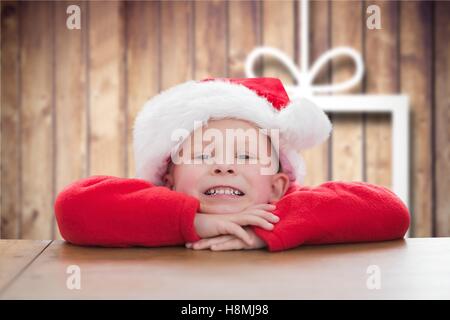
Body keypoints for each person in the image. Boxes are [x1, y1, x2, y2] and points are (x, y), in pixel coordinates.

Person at [54, 77, 410, 252]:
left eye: (244, 156)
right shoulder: (154, 204)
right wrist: (193, 221)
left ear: (277, 185)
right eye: (203, 155)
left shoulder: (281, 206)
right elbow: (73, 207)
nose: (224, 167)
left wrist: (268, 227)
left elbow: (391, 213)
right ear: (168, 179)